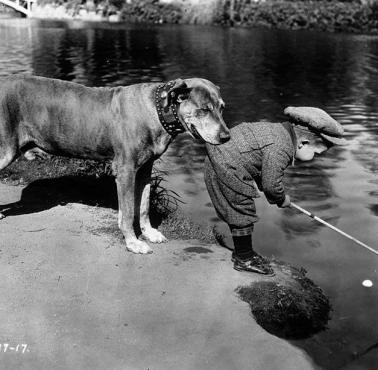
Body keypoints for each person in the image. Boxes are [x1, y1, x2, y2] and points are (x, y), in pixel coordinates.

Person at [204, 106, 347, 276]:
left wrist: (269, 189)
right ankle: (244, 259)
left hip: (222, 159)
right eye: (316, 153)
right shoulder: (282, 148)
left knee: (239, 210)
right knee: (241, 211)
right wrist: (280, 199)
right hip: (225, 166)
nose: (315, 157)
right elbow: (271, 184)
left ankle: (244, 253)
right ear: (303, 143)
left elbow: (258, 164)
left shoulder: (278, 132)